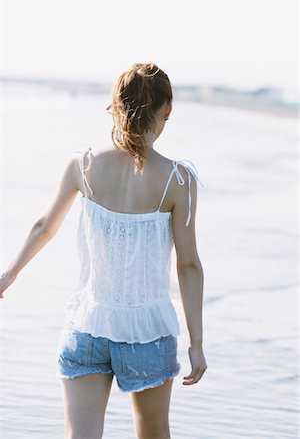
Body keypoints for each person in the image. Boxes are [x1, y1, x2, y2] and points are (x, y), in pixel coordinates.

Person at [0, 62, 207, 439]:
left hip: (87, 327)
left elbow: (45, 227)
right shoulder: (178, 180)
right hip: (148, 332)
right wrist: (197, 343)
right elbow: (188, 265)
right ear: (168, 109)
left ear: (115, 105)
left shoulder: (83, 164)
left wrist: (8, 275)